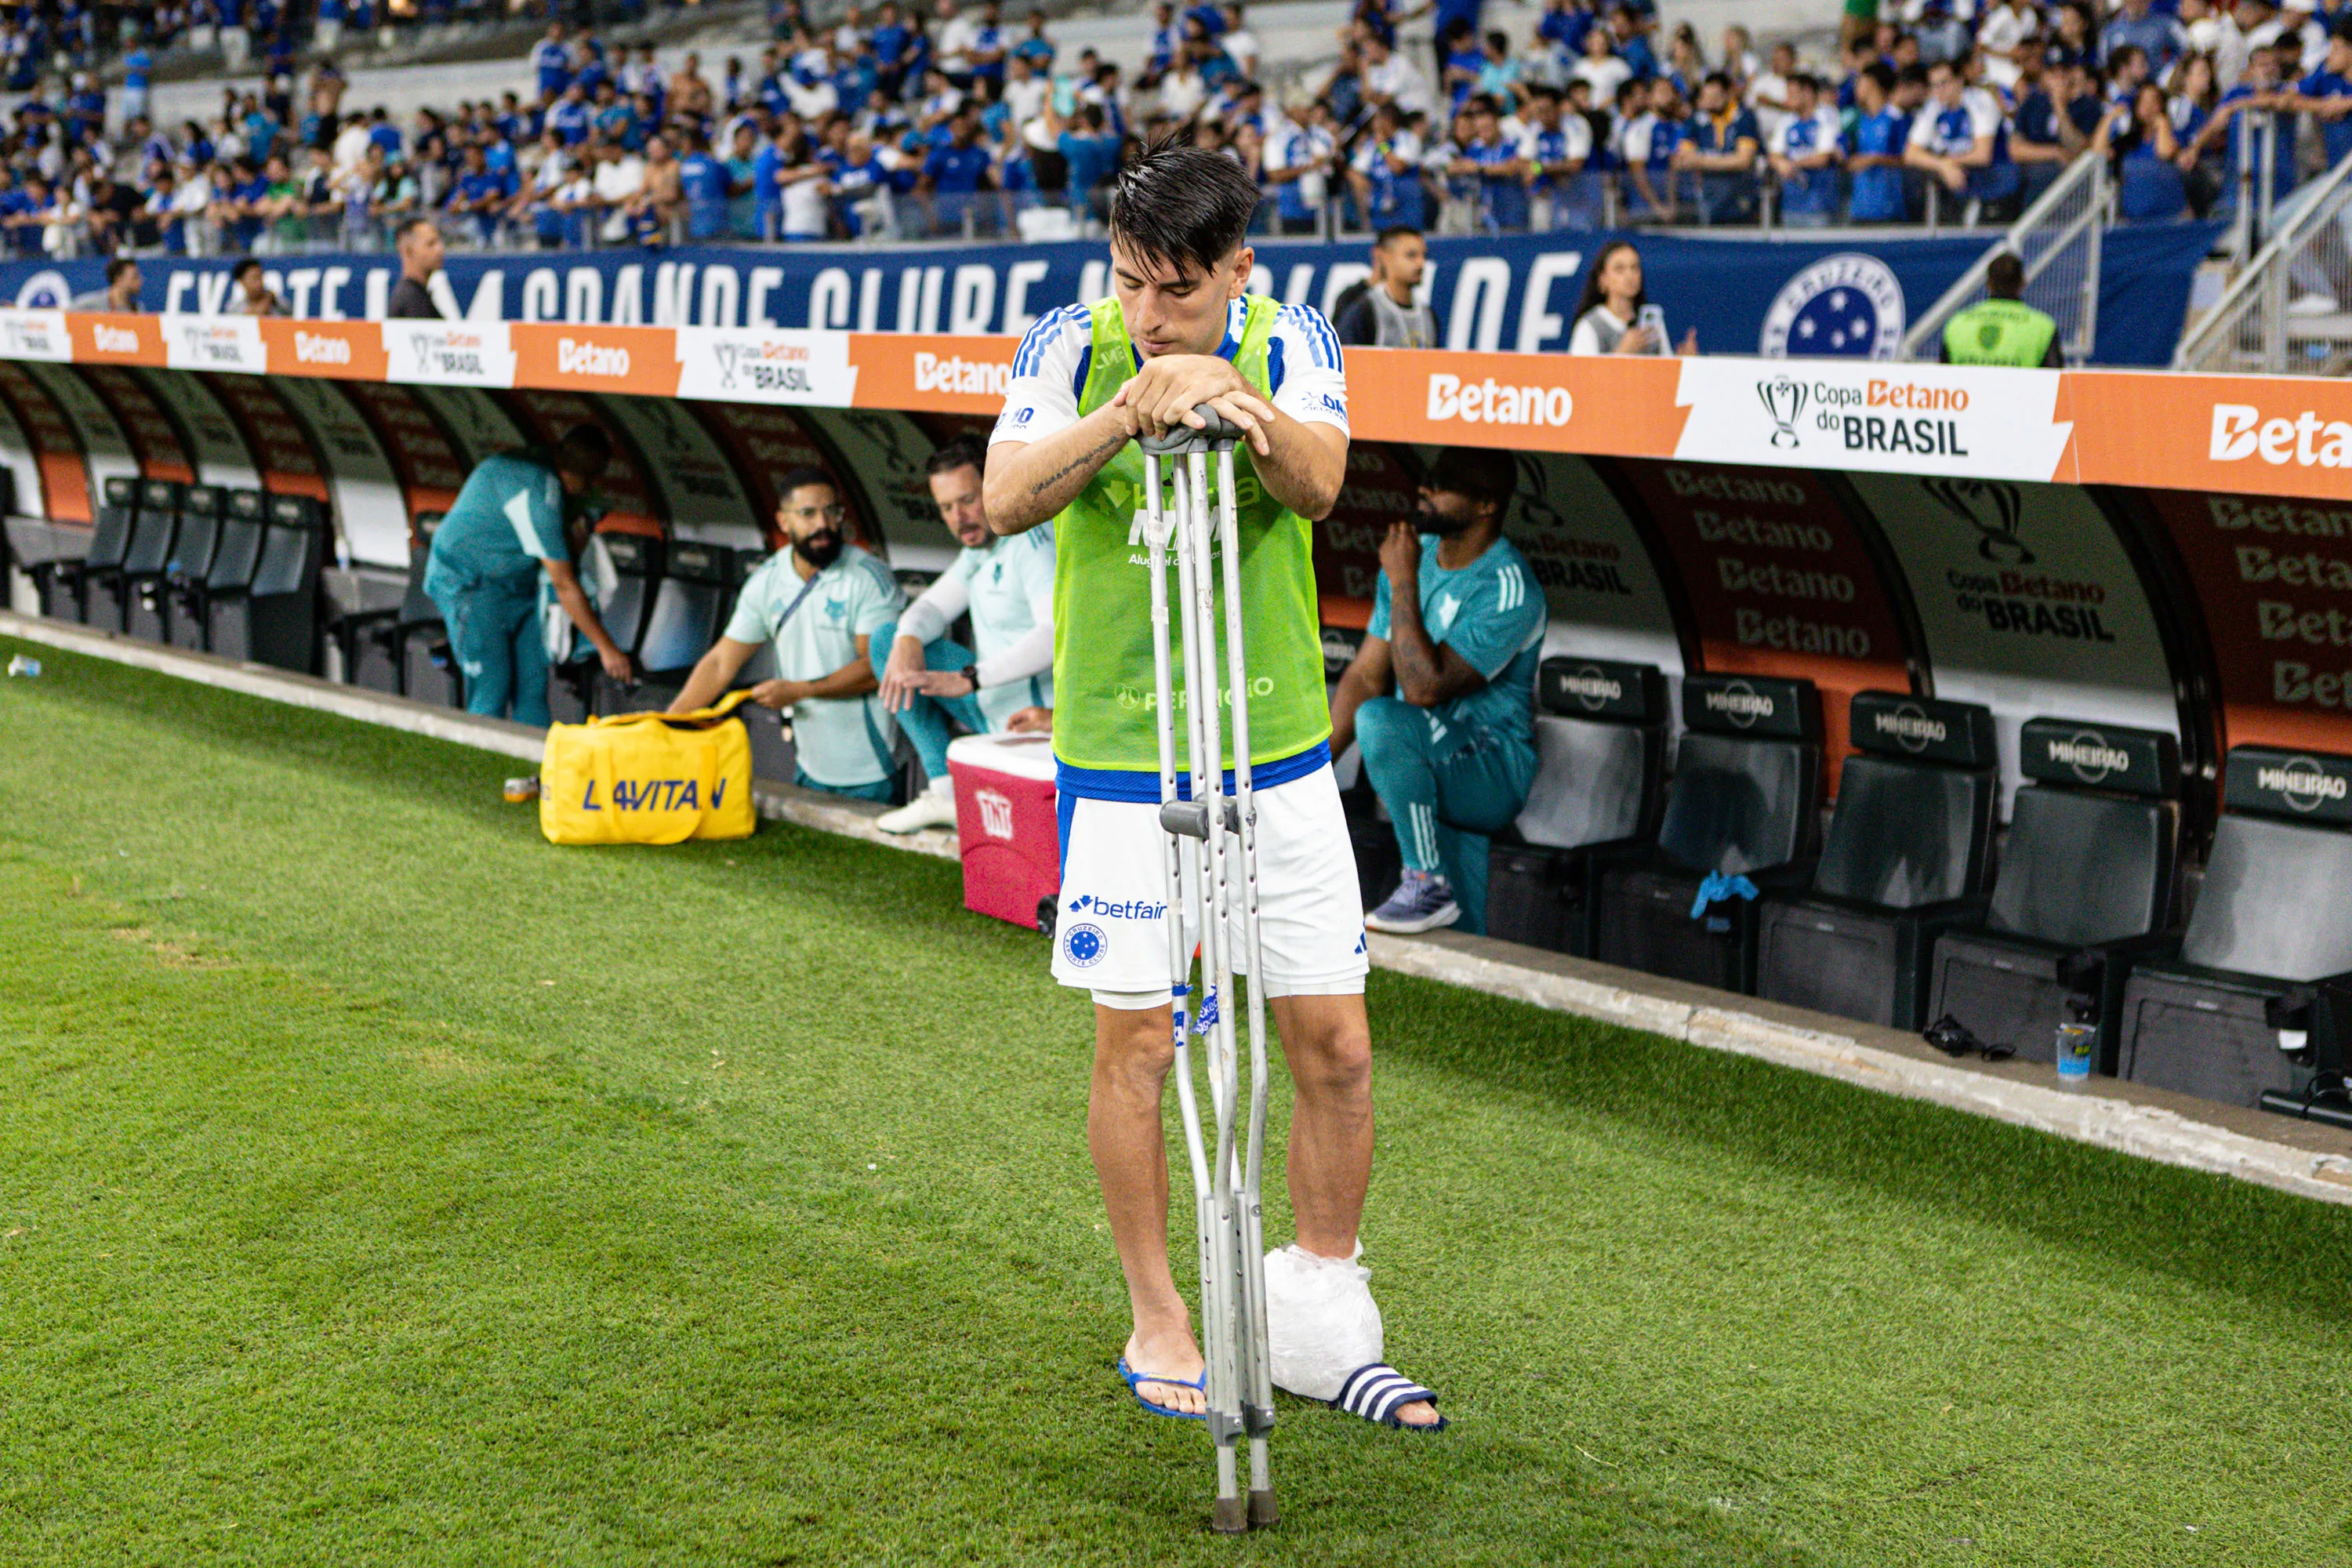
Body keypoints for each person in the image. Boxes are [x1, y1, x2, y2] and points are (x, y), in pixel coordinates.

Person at [982, 141, 1443, 1431]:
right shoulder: (1064, 347)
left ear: (1240, 270)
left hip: (1278, 746)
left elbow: (1318, 483)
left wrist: (1226, 391)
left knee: (1336, 1046)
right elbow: (1007, 497)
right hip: (1123, 762)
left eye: (1176, 291)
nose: (1147, 314)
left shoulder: (1292, 335)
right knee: (1138, 1042)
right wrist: (1123, 409)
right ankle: (1158, 1312)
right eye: (1130, 282)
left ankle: (1319, 1320)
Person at [1329, 446, 1544, 935]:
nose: (1423, 490)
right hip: (1427, 756)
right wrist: (1313, 772)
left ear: (1487, 505)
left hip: (1493, 767)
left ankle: (1427, 883)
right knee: (1459, 950)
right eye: (1426, 478)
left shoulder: (1509, 586)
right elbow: (1365, 675)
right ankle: (1435, 893)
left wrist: (1403, 579)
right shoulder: (1416, 557)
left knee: (1383, 720)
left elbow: (1425, 687)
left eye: (1443, 483)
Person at [664, 470, 908, 802]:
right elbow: (722, 661)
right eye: (808, 514)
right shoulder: (768, 580)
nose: (823, 524)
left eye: (831, 512)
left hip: (871, 768)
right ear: (783, 521)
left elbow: (876, 668)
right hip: (808, 763)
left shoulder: (868, 577)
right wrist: (670, 720)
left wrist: (797, 691)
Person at [869, 438, 1057, 833]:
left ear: (995, 487)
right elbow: (932, 608)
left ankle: (950, 792)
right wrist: (907, 639)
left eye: (968, 500)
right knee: (888, 639)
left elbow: (1053, 633)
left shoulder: (1031, 541)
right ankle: (944, 791)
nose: (959, 518)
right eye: (946, 508)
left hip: (1033, 724)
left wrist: (972, 678)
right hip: (989, 703)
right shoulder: (979, 551)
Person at [423, 425, 634, 728]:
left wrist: (583, 523)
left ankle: (534, 770)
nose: (589, 490)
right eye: (587, 480)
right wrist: (608, 650)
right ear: (575, 474)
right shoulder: (538, 494)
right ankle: (483, 770)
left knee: (533, 688)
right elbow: (564, 584)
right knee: (492, 688)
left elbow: (585, 518)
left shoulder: (549, 464)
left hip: (518, 586)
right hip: (470, 584)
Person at [1566, 239, 1694, 354]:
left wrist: (1685, 361)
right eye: (1619, 269)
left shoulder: (1650, 322)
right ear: (1603, 279)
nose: (1630, 276)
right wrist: (1622, 353)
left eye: (1634, 268)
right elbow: (1581, 376)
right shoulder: (1590, 325)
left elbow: (1665, 369)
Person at [1940, 251, 2063, 366]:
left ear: (1989, 283)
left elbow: (1943, 378)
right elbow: (2055, 379)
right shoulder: (2043, 327)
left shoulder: (1957, 324)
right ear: (2022, 282)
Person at [1331, 224, 1436, 347]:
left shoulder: (1427, 313)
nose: (1420, 263)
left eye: (1424, 256)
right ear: (1384, 257)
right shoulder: (1365, 310)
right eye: (1411, 255)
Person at [387, 214, 444, 318]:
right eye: (431, 244)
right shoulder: (411, 300)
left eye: (439, 242)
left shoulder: (418, 296)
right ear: (408, 251)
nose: (439, 249)